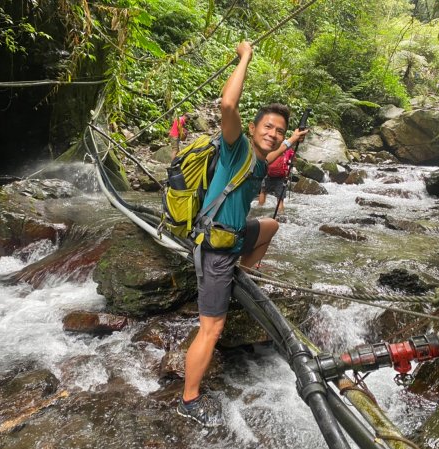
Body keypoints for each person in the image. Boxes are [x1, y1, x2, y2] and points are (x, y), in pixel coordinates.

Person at [176, 41, 301, 427]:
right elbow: (227, 106)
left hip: (234, 242)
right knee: (212, 326)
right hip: (215, 248)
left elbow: (273, 155)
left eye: (279, 131)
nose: (274, 134)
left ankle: (243, 272)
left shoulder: (261, 162)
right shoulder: (236, 148)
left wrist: (292, 142)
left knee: (270, 225)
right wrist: (245, 57)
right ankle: (189, 398)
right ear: (252, 128)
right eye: (269, 127)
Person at [258, 127, 307, 213]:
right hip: (281, 177)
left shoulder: (271, 146)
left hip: (267, 175)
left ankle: (259, 209)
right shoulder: (288, 150)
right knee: (280, 199)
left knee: (263, 192)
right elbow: (293, 160)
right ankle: (281, 215)